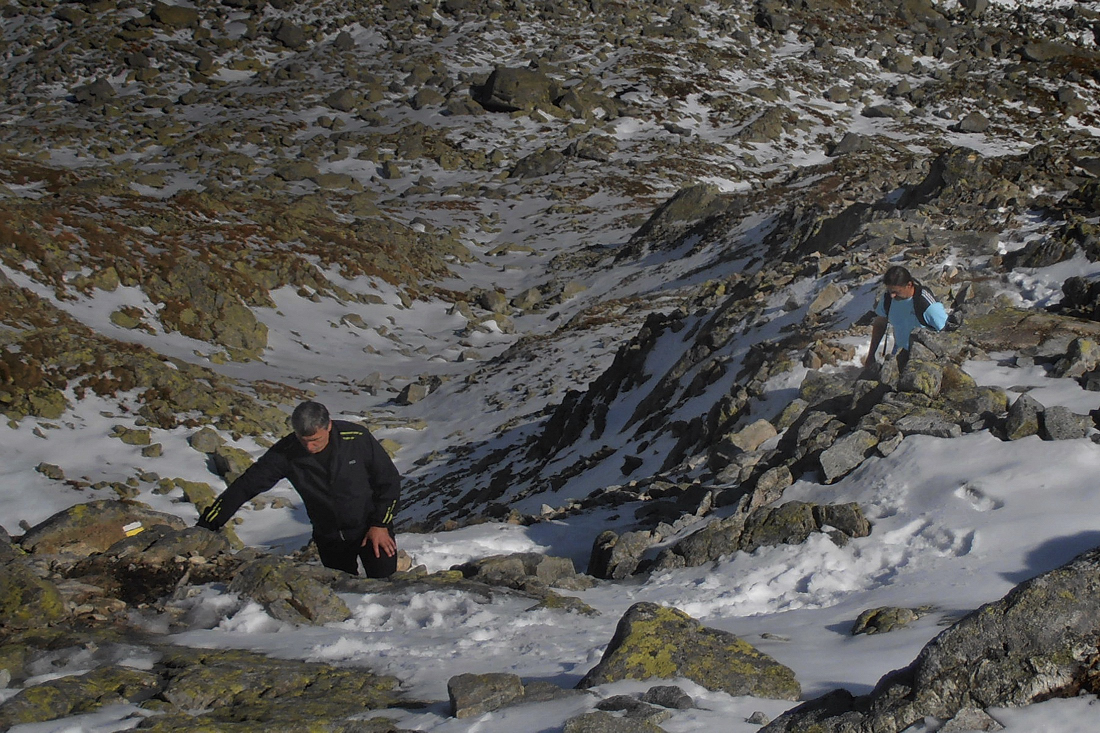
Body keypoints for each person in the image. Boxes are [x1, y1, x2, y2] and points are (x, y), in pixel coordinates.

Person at [197, 400, 401, 578]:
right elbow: (245, 486)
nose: (310, 448)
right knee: (343, 591)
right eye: (304, 441)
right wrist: (206, 526)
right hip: (328, 537)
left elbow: (389, 481)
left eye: (315, 441)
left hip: (371, 530)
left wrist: (380, 524)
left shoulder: (356, 438)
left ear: (328, 426)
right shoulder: (286, 452)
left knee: (385, 587)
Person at [865, 265, 948, 368]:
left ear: (909, 285)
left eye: (896, 292)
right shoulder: (888, 299)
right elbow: (880, 323)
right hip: (899, 355)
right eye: (890, 291)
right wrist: (871, 355)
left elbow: (946, 334)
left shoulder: (926, 304)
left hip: (925, 360)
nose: (892, 295)